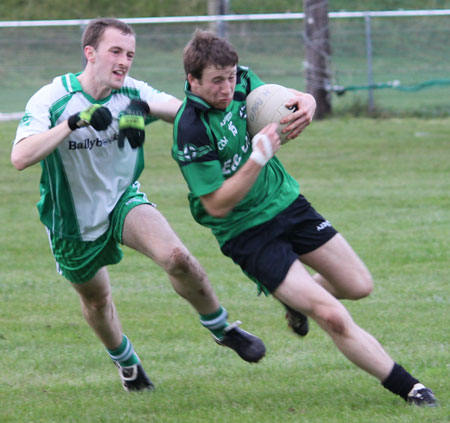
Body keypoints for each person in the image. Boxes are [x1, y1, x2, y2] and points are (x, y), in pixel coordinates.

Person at [171, 29, 437, 407]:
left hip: (286, 203)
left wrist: (307, 101)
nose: (228, 88)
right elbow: (216, 204)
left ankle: (297, 301)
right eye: (217, 81)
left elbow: (285, 100)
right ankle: (410, 388)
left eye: (230, 77)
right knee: (333, 315)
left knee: (359, 285)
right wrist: (257, 157)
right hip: (246, 233)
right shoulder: (190, 129)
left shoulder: (242, 80)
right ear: (192, 80)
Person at [10, 18, 266, 393]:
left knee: (177, 256)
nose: (124, 61)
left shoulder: (130, 91)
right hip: (72, 220)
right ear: (90, 53)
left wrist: (143, 108)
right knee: (97, 302)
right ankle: (126, 362)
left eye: (130, 54)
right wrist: (73, 123)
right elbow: (20, 157)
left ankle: (221, 327)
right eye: (115, 52)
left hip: (122, 200)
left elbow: (181, 110)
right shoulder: (52, 98)